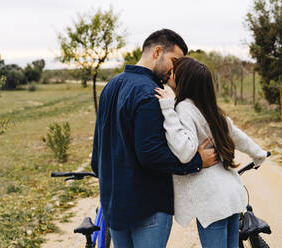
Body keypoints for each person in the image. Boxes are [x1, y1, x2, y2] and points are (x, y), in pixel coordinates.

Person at [91, 29, 218, 248]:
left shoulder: (110, 86)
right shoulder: (152, 92)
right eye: (174, 60)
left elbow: (98, 153)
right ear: (158, 51)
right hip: (147, 208)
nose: (175, 69)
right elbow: (151, 154)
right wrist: (197, 162)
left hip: (114, 206)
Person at [154, 56, 268, 248]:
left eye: (174, 72)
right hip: (232, 195)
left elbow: (184, 151)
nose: (169, 74)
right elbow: (236, 134)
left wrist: (167, 108)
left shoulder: (183, 108)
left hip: (212, 200)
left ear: (184, 80)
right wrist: (258, 154)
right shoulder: (211, 109)